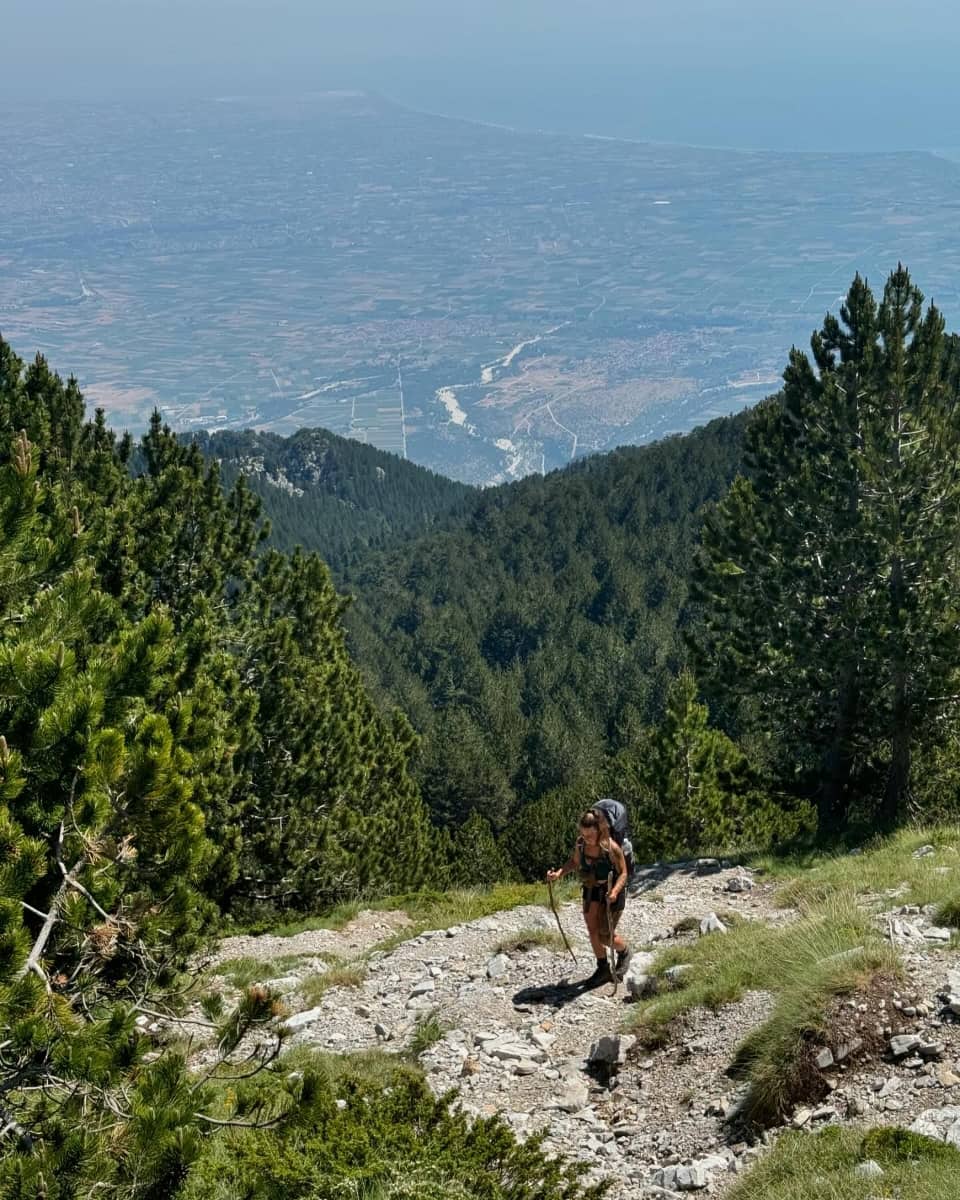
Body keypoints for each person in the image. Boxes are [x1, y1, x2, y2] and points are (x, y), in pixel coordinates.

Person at [546, 808, 632, 984]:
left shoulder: (611, 848)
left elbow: (624, 873)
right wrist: (559, 873)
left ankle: (624, 952)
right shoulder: (581, 844)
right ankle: (603, 968)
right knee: (592, 931)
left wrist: (615, 892)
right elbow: (575, 862)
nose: (586, 838)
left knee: (604, 936)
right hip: (591, 890)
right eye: (583, 834)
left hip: (610, 893)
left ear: (599, 830)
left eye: (590, 835)